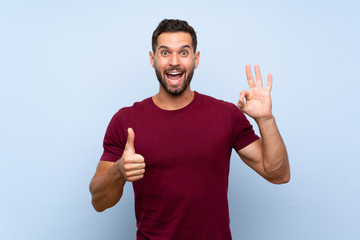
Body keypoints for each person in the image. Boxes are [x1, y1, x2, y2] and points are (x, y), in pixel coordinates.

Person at [89, 19, 290, 239]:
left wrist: (266, 119)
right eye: (165, 53)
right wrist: (119, 171)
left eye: (183, 53)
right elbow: (99, 202)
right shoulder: (125, 120)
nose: (174, 62)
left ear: (196, 59)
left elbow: (278, 174)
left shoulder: (227, 115)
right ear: (152, 58)